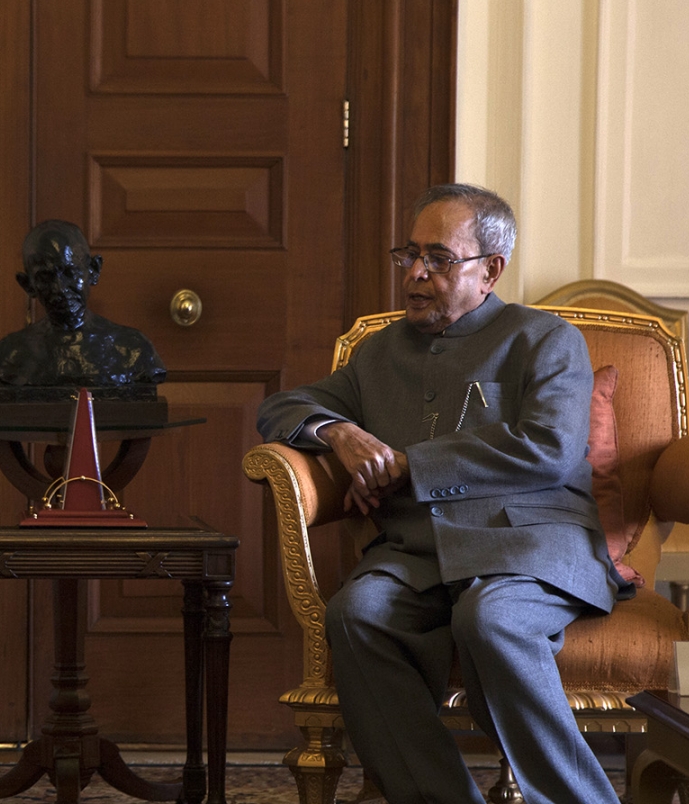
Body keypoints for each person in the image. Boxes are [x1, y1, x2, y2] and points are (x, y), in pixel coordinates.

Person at [256, 184, 629, 804]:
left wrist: (407, 464)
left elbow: (551, 447)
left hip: (530, 544)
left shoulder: (544, 338)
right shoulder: (379, 353)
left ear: (491, 270)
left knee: (491, 619)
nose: (416, 274)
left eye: (439, 258)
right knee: (356, 614)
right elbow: (281, 407)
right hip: (419, 553)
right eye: (408, 255)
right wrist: (340, 432)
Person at [0, 219, 166, 390]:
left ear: (93, 271)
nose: (59, 289)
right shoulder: (10, 356)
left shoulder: (133, 350)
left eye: (70, 273)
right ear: (28, 284)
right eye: (45, 277)